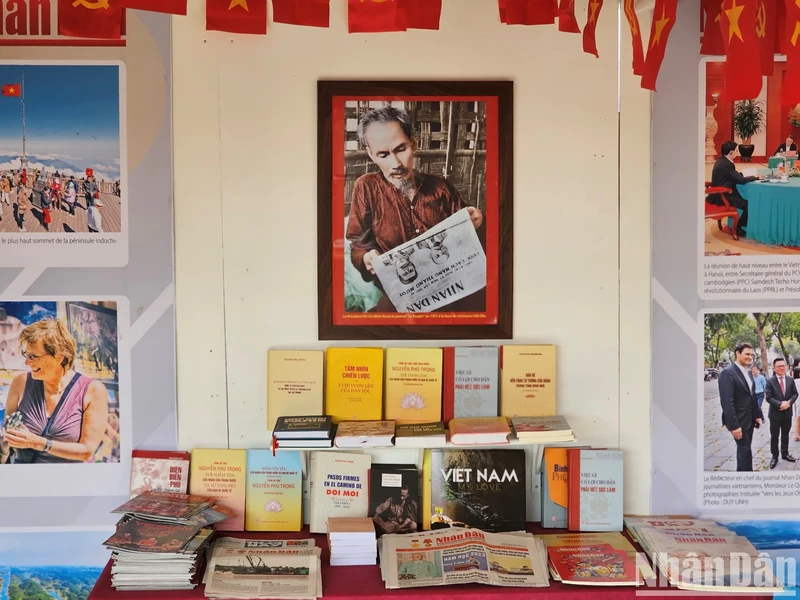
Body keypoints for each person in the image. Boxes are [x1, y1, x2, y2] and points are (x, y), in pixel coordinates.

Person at [346, 106, 484, 312]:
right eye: (383, 154)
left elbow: (467, 234)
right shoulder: (366, 187)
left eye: (401, 149)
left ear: (414, 143)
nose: (395, 163)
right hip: (402, 295)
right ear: (371, 154)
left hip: (454, 289)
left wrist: (478, 221)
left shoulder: (441, 187)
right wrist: (366, 258)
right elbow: (358, 243)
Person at [0, 319, 109, 464]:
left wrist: (38, 443)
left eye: (33, 356)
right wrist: (6, 442)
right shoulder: (20, 382)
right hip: (24, 481)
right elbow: (7, 447)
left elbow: (86, 451)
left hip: (69, 482)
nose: (26, 362)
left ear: (59, 356)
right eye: (26, 354)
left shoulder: (93, 390)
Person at [718, 342, 764, 471]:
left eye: (752, 355)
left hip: (749, 420)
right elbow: (727, 401)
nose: (750, 357)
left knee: (745, 450)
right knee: (744, 451)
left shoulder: (748, 373)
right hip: (738, 422)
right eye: (747, 354)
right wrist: (734, 425)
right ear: (738, 354)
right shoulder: (728, 373)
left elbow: (752, 396)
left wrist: (757, 415)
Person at [706, 141, 761, 238]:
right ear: (731, 152)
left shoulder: (722, 160)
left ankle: (741, 225)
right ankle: (739, 229)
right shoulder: (727, 164)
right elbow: (740, 180)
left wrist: (743, 174)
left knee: (744, 201)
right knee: (748, 205)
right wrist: (755, 177)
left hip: (719, 192)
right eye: (736, 151)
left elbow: (732, 175)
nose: (737, 153)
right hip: (722, 195)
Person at [764, 357, 797, 469]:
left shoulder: (790, 379)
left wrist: (788, 403)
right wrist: (779, 404)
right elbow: (768, 397)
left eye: (783, 365)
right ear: (774, 368)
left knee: (785, 434)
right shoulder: (769, 381)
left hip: (787, 413)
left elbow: (795, 394)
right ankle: (775, 456)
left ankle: (785, 453)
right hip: (775, 414)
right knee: (775, 436)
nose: (782, 368)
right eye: (779, 366)